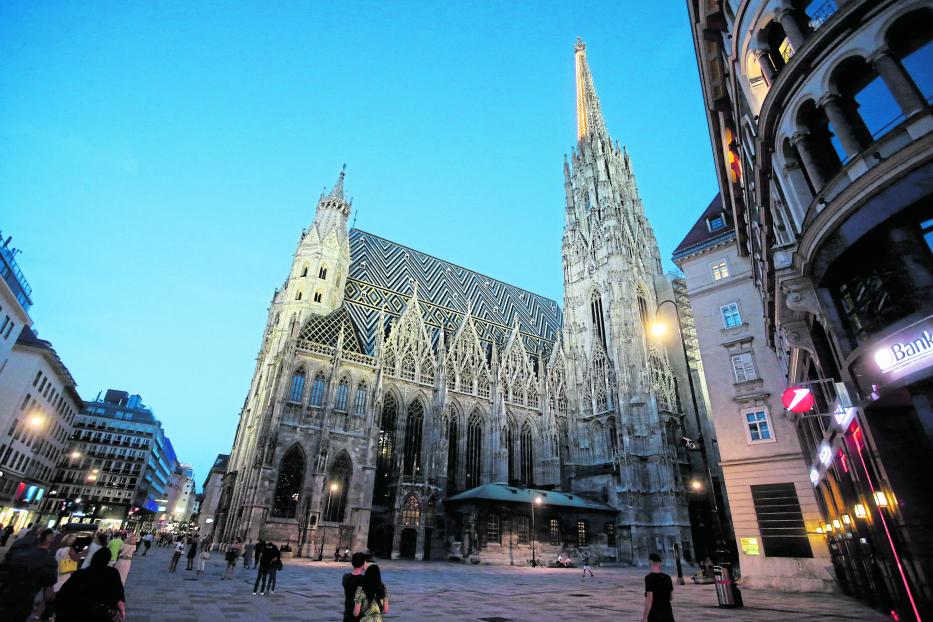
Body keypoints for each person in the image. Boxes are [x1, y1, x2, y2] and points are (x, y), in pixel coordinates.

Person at [0, 528, 57, 622]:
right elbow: (48, 588)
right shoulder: (49, 560)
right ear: (48, 539)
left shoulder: (18, 553)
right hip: (25, 600)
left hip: (6, 594)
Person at [56, 547, 126, 622]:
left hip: (79, 612)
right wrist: (121, 610)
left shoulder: (81, 573)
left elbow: (64, 593)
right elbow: (119, 592)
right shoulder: (112, 573)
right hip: (101, 614)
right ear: (107, 560)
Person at [641, 553, 675, 622]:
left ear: (650, 562)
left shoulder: (649, 578)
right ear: (660, 563)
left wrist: (644, 617)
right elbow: (671, 597)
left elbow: (649, 600)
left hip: (655, 614)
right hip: (667, 613)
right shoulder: (667, 577)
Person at [342, 552, 367, 622]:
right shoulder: (363, 580)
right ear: (363, 563)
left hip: (348, 613)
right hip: (359, 615)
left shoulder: (345, 577)